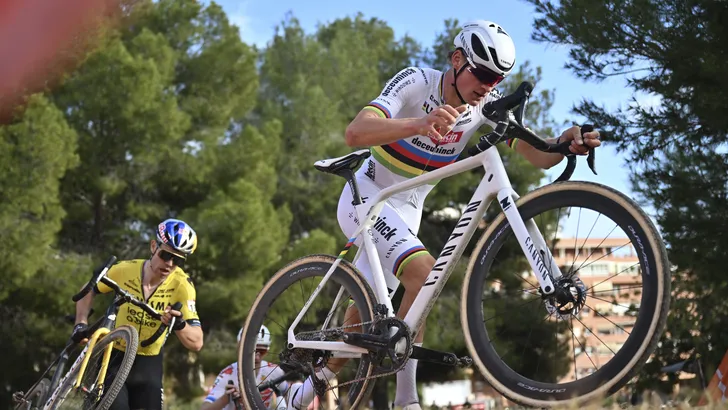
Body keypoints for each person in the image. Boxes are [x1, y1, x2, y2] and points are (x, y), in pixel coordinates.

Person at [288, 19, 601, 410]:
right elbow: (356, 132)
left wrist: (564, 144)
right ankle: (408, 401)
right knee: (424, 276)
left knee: (363, 322)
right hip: (368, 194)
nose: (489, 86)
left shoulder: (483, 105)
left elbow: (535, 155)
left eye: (498, 78)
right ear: (457, 60)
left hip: (408, 208)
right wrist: (420, 122)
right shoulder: (417, 81)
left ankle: (300, 392)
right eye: (483, 74)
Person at [72, 218, 204, 410]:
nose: (169, 263)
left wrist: (180, 325)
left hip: (149, 363)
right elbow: (89, 289)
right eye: (165, 254)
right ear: (153, 246)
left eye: (178, 260)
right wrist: (81, 322)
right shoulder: (126, 270)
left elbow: (197, 342)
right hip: (115, 356)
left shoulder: (182, 286)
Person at [202, 325, 291, 410]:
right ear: (240, 349)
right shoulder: (227, 375)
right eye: (252, 351)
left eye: (262, 351)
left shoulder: (274, 371)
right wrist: (225, 399)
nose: (256, 357)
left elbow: (290, 394)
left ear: (267, 351)